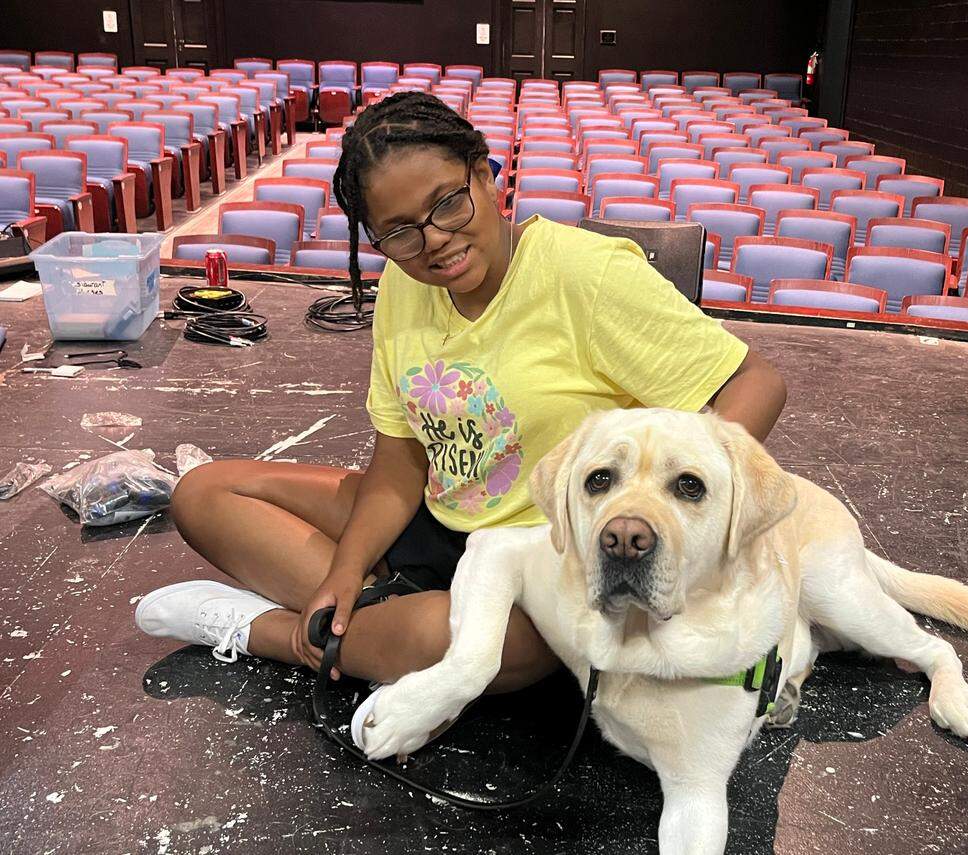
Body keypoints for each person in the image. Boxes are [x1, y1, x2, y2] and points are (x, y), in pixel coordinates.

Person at [135, 92, 787, 718]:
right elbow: (399, 461)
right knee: (201, 494)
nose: (435, 242)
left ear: (485, 173)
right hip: (435, 518)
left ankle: (272, 630)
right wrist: (345, 565)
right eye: (400, 233)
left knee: (454, 642)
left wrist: (673, 517)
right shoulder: (402, 286)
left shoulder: (585, 275)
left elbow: (756, 380)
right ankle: (365, 621)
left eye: (448, 203)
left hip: (544, 557)